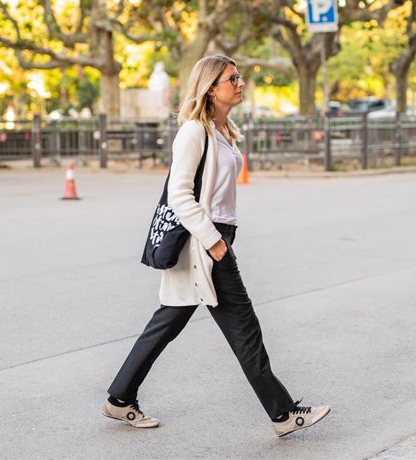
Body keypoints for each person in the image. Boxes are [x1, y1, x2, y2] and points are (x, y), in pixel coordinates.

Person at [102, 55, 330, 437]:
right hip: (205, 243)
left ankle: (119, 398)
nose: (240, 83)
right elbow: (179, 194)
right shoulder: (194, 132)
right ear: (211, 87)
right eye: (232, 78)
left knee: (166, 325)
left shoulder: (223, 130)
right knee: (245, 329)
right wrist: (213, 242)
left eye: (239, 77)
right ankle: (284, 414)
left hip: (215, 238)